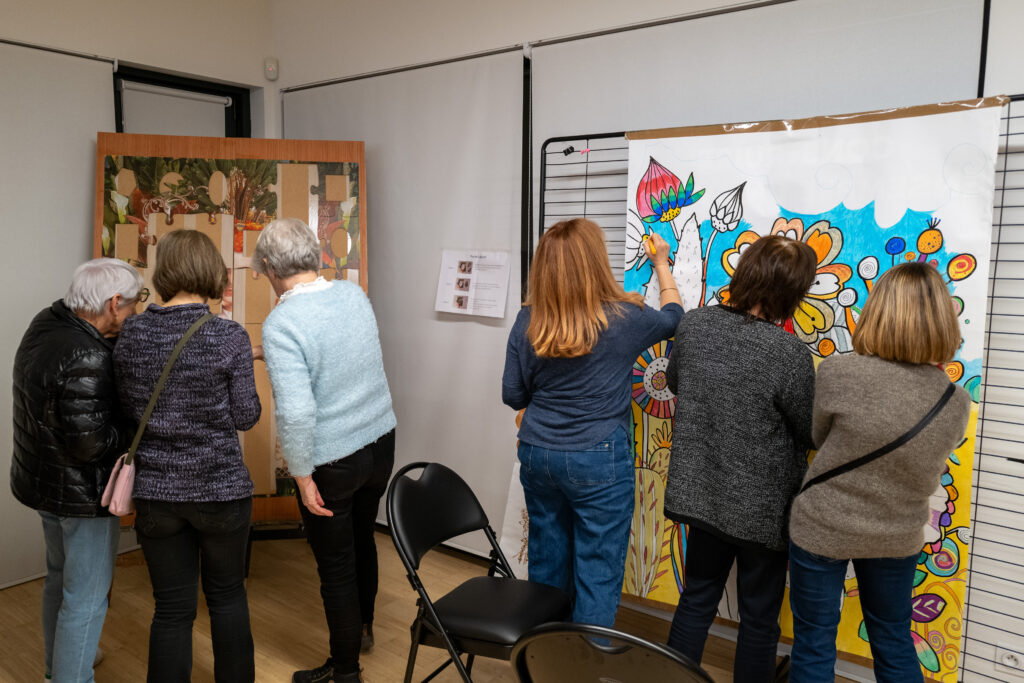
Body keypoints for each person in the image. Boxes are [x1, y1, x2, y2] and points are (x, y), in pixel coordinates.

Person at [787, 262, 971, 683]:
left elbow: (819, 437)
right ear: (943, 319)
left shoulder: (839, 371)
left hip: (822, 525)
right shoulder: (955, 400)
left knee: (814, 642)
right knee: (892, 639)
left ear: (877, 312)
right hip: (896, 533)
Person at [502, 218, 683, 627]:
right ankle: (582, 664)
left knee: (548, 564)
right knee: (597, 572)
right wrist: (661, 263)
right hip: (599, 456)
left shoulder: (527, 319)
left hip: (539, 455)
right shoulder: (624, 318)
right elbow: (674, 317)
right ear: (596, 263)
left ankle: (545, 661)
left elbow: (513, 395)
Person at [662, 234, 818, 681]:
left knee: (696, 601)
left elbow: (677, 383)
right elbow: (809, 432)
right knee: (759, 617)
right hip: (762, 511)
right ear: (791, 294)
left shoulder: (693, 325)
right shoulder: (789, 354)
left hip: (702, 495)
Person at [251, 218, 396, 683]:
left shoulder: (282, 323)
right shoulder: (352, 295)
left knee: (335, 566)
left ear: (271, 267)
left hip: (333, 459)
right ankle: (364, 629)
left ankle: (345, 670)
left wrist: (301, 474)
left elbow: (296, 414)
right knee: (361, 540)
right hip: (380, 443)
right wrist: (268, 351)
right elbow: (343, 356)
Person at [113, 230, 261, 682]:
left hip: (157, 493)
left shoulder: (132, 331)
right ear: (212, 273)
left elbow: (126, 406)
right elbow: (246, 415)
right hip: (220, 491)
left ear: (165, 272)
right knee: (228, 597)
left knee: (172, 611)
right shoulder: (228, 335)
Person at [11, 258, 144, 683]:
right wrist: (133, 428)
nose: (135, 314)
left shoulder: (47, 322)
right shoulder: (87, 353)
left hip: (41, 480)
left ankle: (61, 665)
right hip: (80, 495)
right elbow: (91, 446)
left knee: (59, 578)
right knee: (85, 599)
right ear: (113, 303)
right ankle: (70, 676)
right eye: (133, 305)